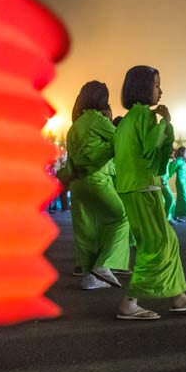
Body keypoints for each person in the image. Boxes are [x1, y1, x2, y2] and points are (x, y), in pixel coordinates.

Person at [113, 65, 186, 319]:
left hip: (133, 188)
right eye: (157, 85)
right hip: (144, 188)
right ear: (144, 87)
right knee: (156, 245)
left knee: (168, 240)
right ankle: (129, 302)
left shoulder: (127, 121)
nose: (161, 90)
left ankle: (178, 296)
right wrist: (166, 123)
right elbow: (150, 148)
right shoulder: (143, 115)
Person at [66, 81, 131, 290]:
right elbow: (120, 139)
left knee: (87, 229)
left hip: (77, 183)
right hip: (96, 179)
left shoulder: (74, 125)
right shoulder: (96, 119)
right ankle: (103, 266)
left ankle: (88, 274)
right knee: (121, 218)